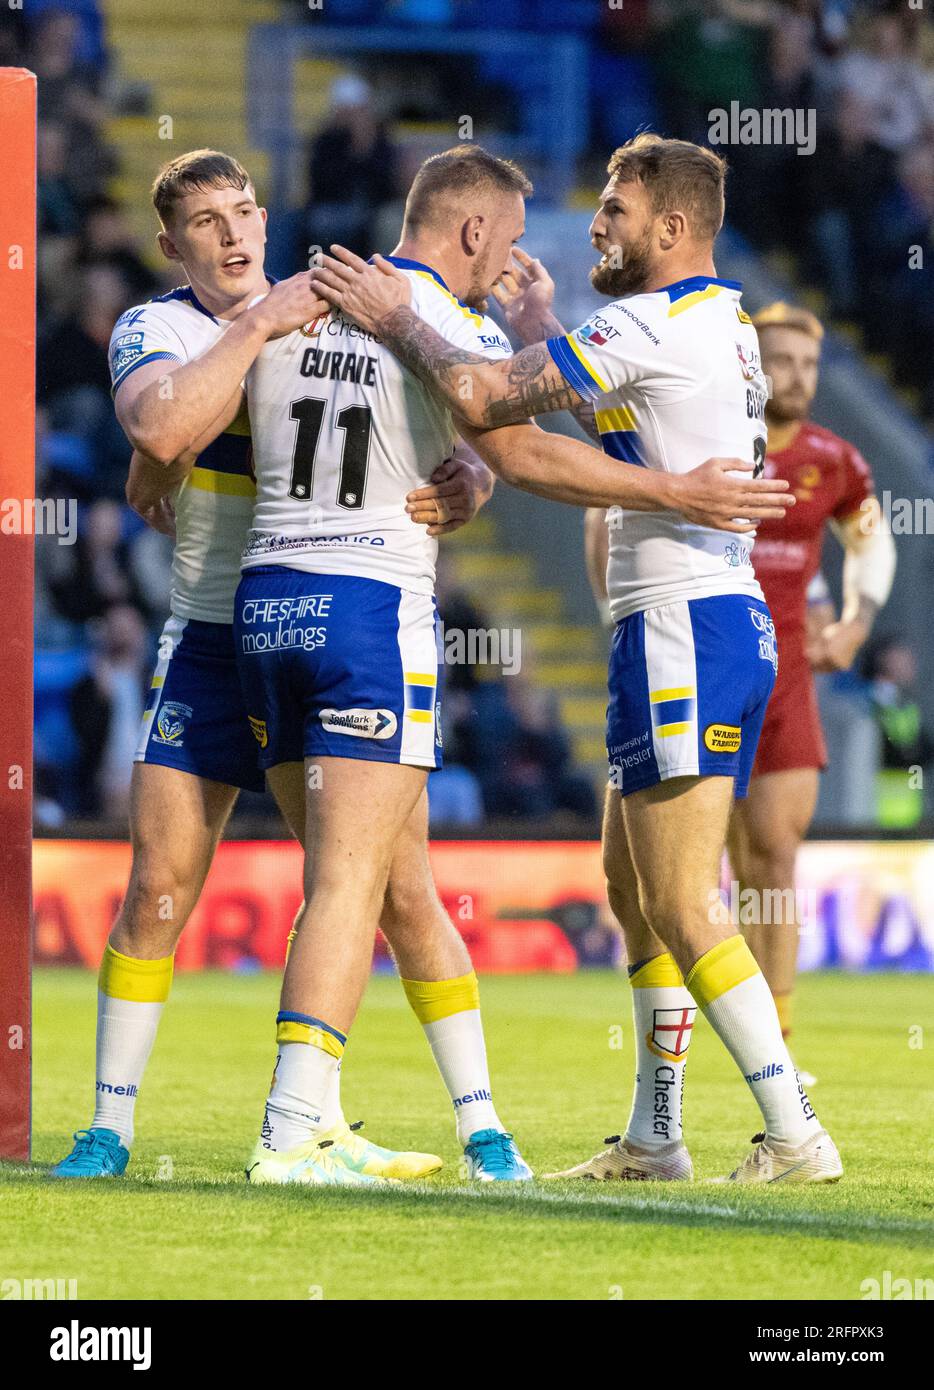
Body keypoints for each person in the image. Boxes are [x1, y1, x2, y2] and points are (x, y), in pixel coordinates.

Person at [309, 133, 842, 1183]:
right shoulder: (719, 322)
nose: (596, 223)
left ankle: (792, 1131)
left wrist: (398, 316)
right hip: (688, 621)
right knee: (631, 885)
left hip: (684, 624)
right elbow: (624, 421)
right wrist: (543, 328)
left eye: (614, 208)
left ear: (672, 227)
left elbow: (482, 399)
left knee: (685, 899)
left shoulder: (645, 320)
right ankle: (654, 1136)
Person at [50, 148, 497, 1185]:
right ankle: (111, 1128)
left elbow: (430, 419)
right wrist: (244, 336)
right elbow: (162, 427)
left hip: (311, 612)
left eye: (244, 208)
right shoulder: (158, 327)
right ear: (172, 245)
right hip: (210, 636)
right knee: (160, 885)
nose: (233, 231)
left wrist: (472, 475)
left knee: (385, 884)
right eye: (205, 220)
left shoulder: (327, 308)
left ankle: (476, 1126)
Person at [726, 302, 894, 1070]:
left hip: (787, 678)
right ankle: (696, 1039)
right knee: (694, 874)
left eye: (808, 363)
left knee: (776, 856)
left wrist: (854, 623)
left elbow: (871, 540)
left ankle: (777, 1041)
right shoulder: (712, 443)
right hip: (704, 668)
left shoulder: (832, 458)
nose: (796, 375)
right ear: (750, 364)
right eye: (780, 359)